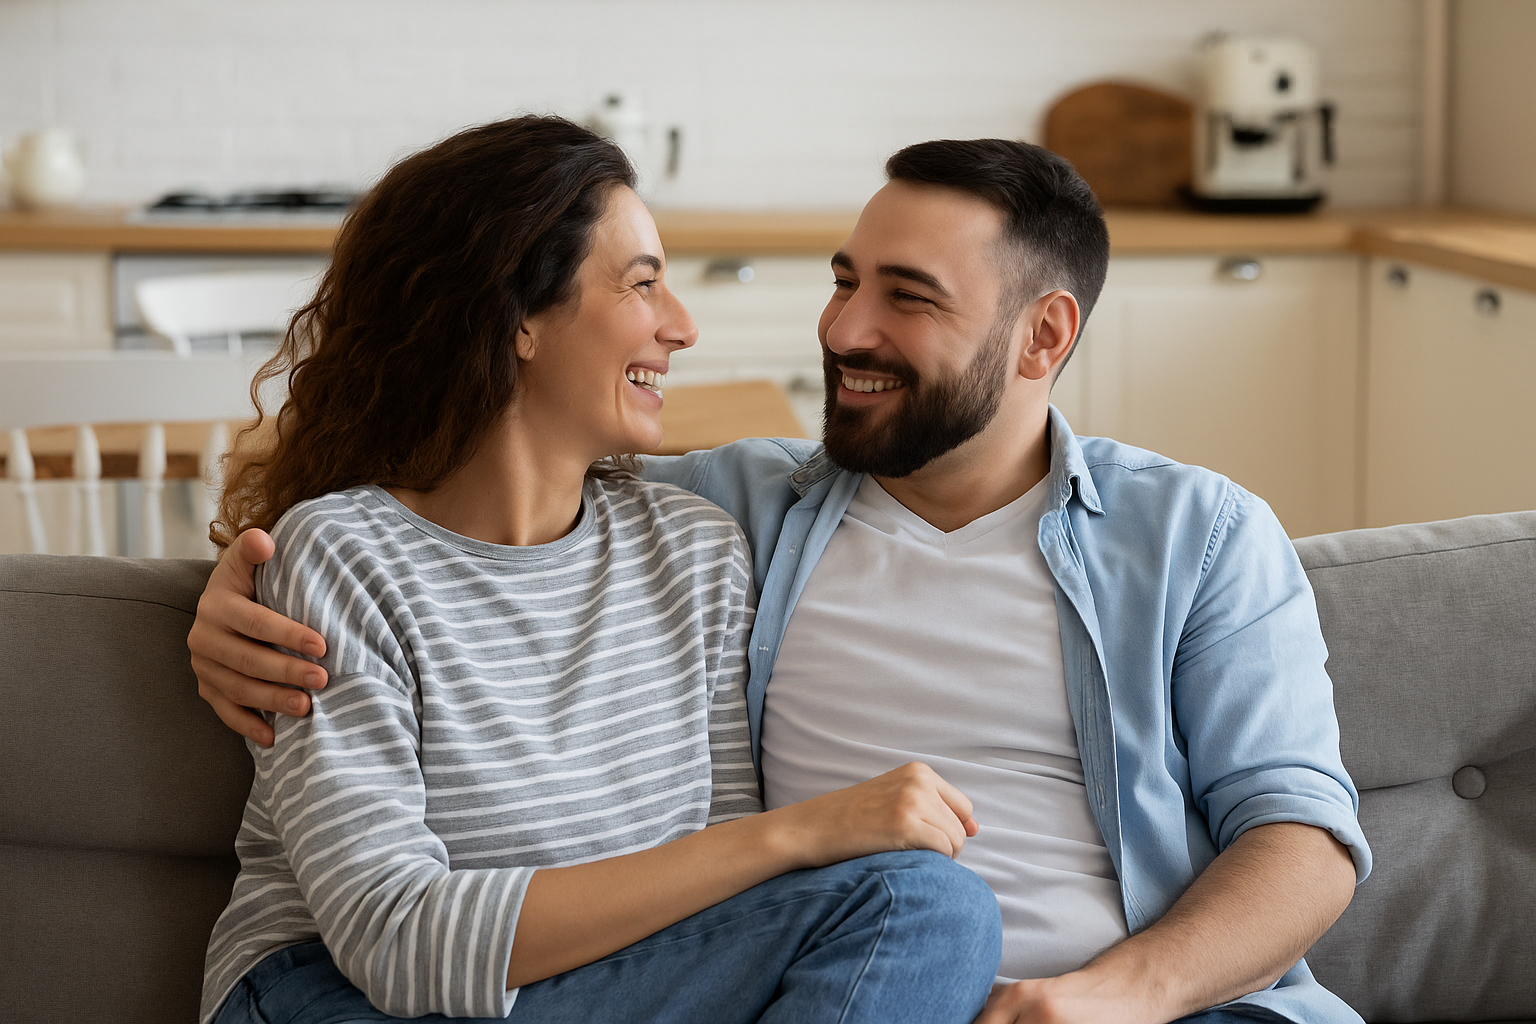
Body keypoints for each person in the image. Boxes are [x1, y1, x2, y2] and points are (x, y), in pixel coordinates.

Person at [190, 136, 1372, 1024]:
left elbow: (1305, 833)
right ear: (519, 315)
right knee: (926, 900)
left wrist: (1119, 995)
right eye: (844, 277)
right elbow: (452, 510)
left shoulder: (1197, 534)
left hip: (1105, 1002)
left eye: (905, 297)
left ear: (1043, 338)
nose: (841, 327)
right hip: (753, 978)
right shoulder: (743, 508)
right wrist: (227, 598)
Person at [194, 115, 1004, 1024]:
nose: (683, 327)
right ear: (518, 319)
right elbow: (396, 940)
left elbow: (721, 885)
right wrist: (801, 834)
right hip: (336, 994)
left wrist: (764, 859)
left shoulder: (693, 549)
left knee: (928, 907)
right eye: (644, 283)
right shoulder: (344, 555)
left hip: (601, 986)